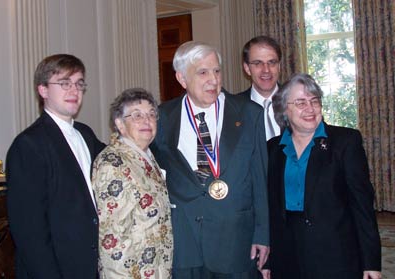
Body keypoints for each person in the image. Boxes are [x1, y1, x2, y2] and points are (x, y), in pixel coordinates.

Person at [150, 41, 269, 279]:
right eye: (203, 72)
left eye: (216, 71)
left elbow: (260, 178)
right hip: (184, 242)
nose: (213, 80)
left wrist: (262, 234)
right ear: (182, 78)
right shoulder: (161, 117)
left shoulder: (249, 113)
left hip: (236, 240)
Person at [264, 73, 381, 279]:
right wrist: (269, 261)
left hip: (336, 255)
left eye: (314, 101)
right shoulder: (273, 149)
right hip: (287, 256)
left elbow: (362, 206)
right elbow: (271, 211)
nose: (310, 108)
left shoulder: (345, 142)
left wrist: (371, 262)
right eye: (300, 102)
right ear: (284, 109)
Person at [6, 54, 105, 278]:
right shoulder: (28, 145)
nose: (74, 90)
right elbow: (29, 231)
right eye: (64, 83)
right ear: (43, 90)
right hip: (57, 269)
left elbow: (119, 159)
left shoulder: (85, 133)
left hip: (91, 265)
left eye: (79, 84)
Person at [92, 88, 173, 279]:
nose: (147, 121)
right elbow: (113, 241)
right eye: (137, 115)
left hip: (157, 270)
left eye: (151, 114)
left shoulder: (146, 156)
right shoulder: (112, 163)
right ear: (120, 124)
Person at [238, 35, 282, 140]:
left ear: (279, 66)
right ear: (247, 68)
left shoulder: (297, 103)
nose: (266, 70)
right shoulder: (233, 109)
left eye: (272, 62)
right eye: (258, 63)